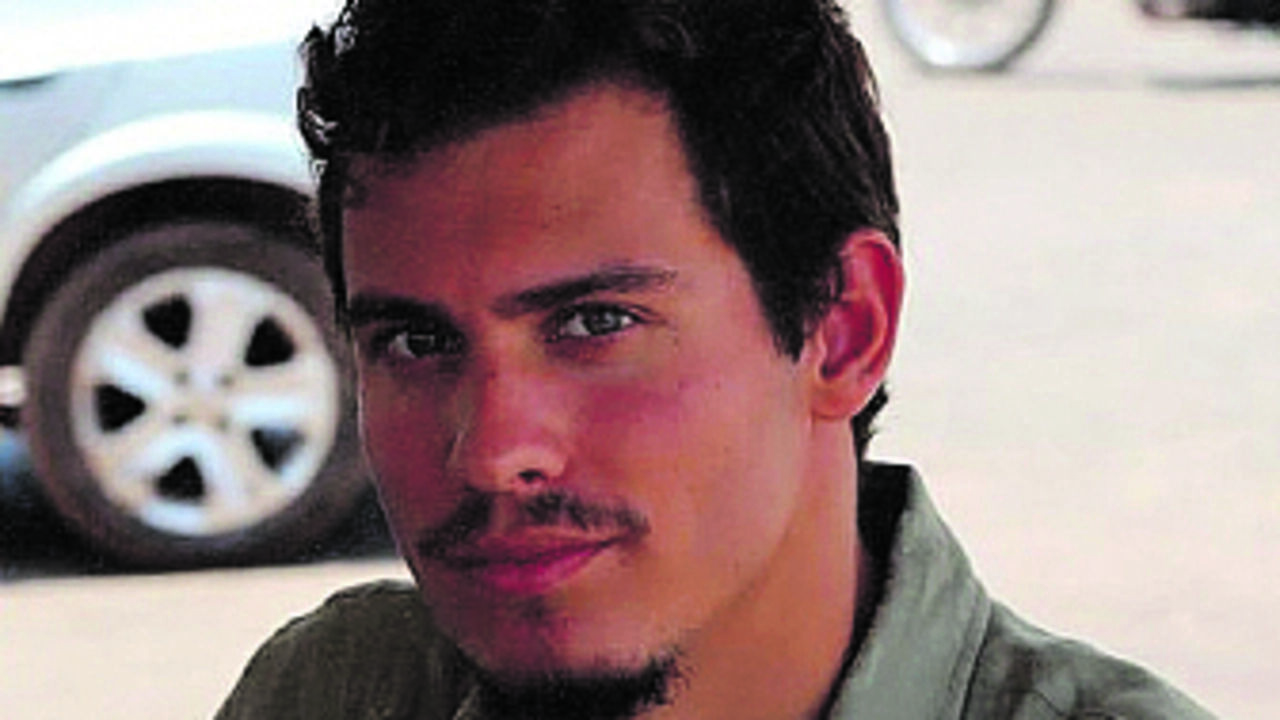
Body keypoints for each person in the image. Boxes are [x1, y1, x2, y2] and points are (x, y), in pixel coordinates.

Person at [217, 1, 1215, 718]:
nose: (492, 453)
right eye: (415, 342)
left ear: (844, 329)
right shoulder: (336, 692)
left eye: (595, 324)